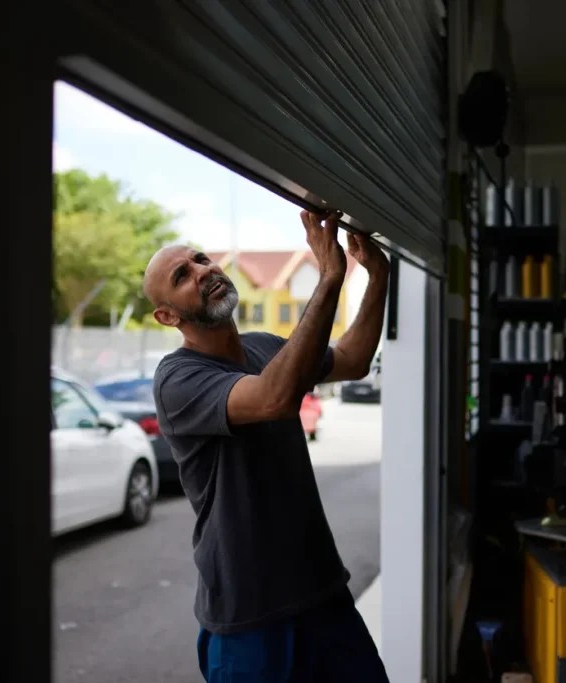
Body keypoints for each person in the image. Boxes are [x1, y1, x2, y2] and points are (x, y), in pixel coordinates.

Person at [142, 209, 391, 683]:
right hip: (249, 623)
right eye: (183, 275)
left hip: (324, 596)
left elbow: (355, 359)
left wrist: (377, 275)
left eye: (201, 259)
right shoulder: (177, 378)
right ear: (167, 316)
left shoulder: (265, 347)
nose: (203, 270)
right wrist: (329, 278)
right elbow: (274, 397)